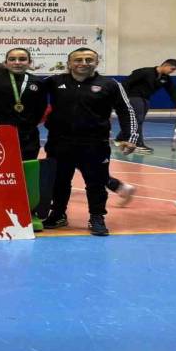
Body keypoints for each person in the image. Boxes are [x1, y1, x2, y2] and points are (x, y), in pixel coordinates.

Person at [40, 48, 137, 236]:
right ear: (69, 63)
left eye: (88, 60)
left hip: (95, 143)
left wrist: (130, 137)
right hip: (59, 142)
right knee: (59, 181)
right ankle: (58, 214)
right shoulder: (54, 81)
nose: (83, 63)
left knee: (96, 183)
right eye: (78, 60)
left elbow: (126, 110)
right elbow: (29, 94)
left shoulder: (110, 84)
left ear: (96, 63)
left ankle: (97, 217)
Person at [115, 59, 176, 154]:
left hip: (145, 98)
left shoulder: (165, 78)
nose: (172, 72)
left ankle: (120, 139)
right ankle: (138, 144)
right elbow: (125, 83)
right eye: (172, 69)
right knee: (137, 120)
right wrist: (123, 98)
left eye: (174, 70)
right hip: (133, 97)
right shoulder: (144, 72)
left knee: (137, 121)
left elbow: (173, 91)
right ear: (165, 65)